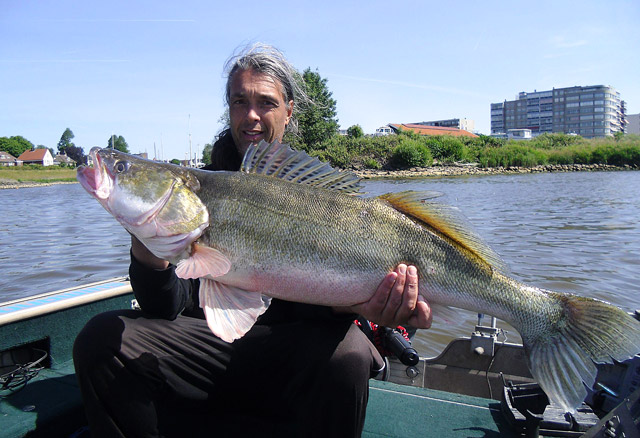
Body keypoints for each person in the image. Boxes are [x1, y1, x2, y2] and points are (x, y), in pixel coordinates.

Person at [73, 43, 432, 438]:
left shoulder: (324, 199)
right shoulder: (195, 194)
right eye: (239, 101)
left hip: (296, 351)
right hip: (213, 350)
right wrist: (147, 251)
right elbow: (167, 306)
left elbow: (333, 304)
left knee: (348, 355)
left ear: (289, 110)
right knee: (100, 339)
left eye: (266, 102)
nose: (251, 115)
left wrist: (368, 304)